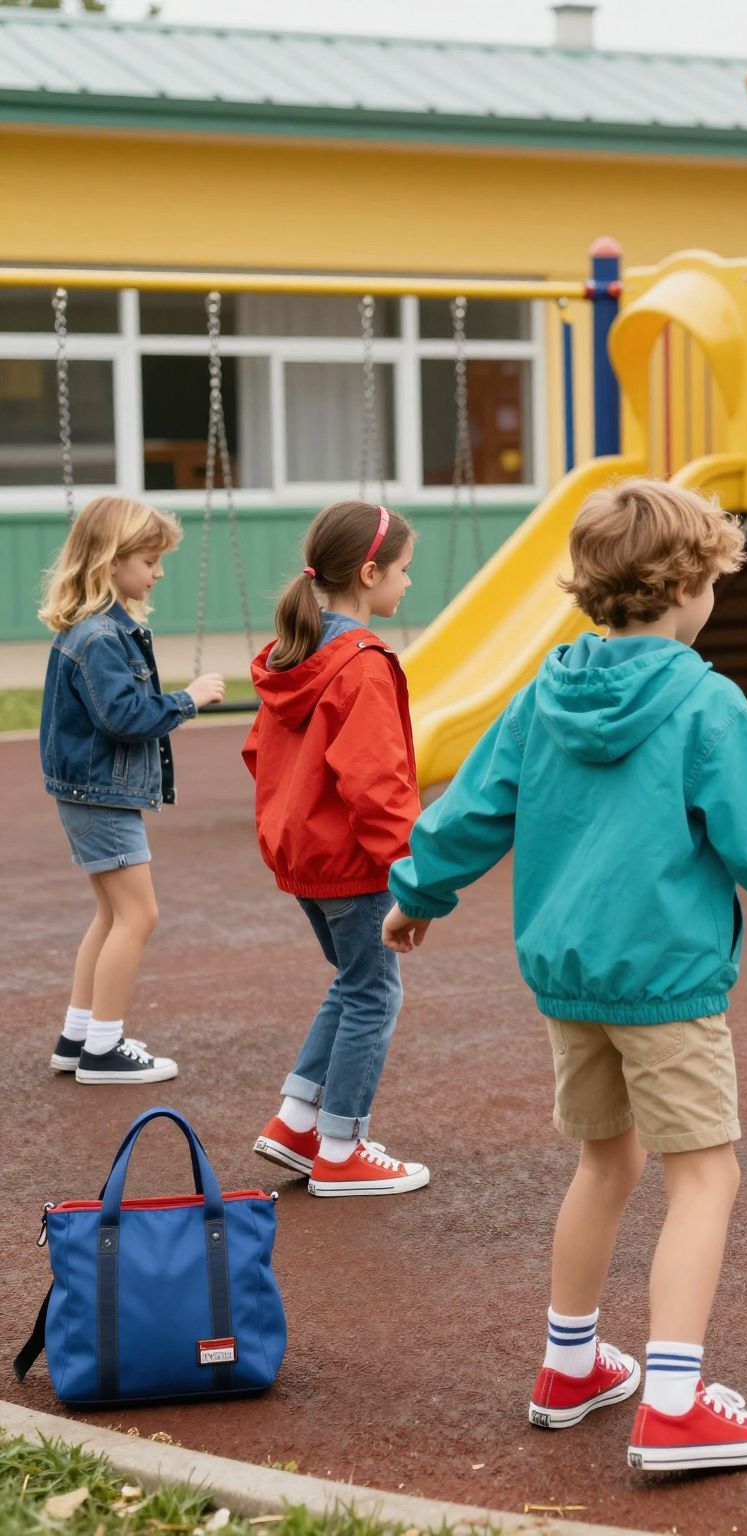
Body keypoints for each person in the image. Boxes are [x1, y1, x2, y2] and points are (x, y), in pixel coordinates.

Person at [382, 477, 747, 1472]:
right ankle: (673, 1404)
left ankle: (569, 1365)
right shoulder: (706, 703)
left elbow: (473, 808)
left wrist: (418, 892)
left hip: (572, 980)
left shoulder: (545, 693)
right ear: (683, 589)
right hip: (665, 982)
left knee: (606, 1162)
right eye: (710, 582)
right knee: (706, 1174)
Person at [246, 501, 428, 1197]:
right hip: (355, 865)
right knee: (374, 995)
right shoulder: (363, 664)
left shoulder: (295, 651)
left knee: (353, 983)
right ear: (370, 573)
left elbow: (258, 751)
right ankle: (342, 1147)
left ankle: (297, 1122)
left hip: (306, 861)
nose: (408, 581)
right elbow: (377, 783)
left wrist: (298, 816)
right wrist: (410, 872)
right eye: (404, 569)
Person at [39, 495, 224, 1085]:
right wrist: (188, 700)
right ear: (111, 560)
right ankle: (103, 1048)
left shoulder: (97, 629)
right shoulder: (100, 636)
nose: (158, 572)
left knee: (111, 913)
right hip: (102, 795)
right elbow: (122, 716)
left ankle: (79, 1036)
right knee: (139, 915)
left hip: (90, 793)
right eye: (149, 560)